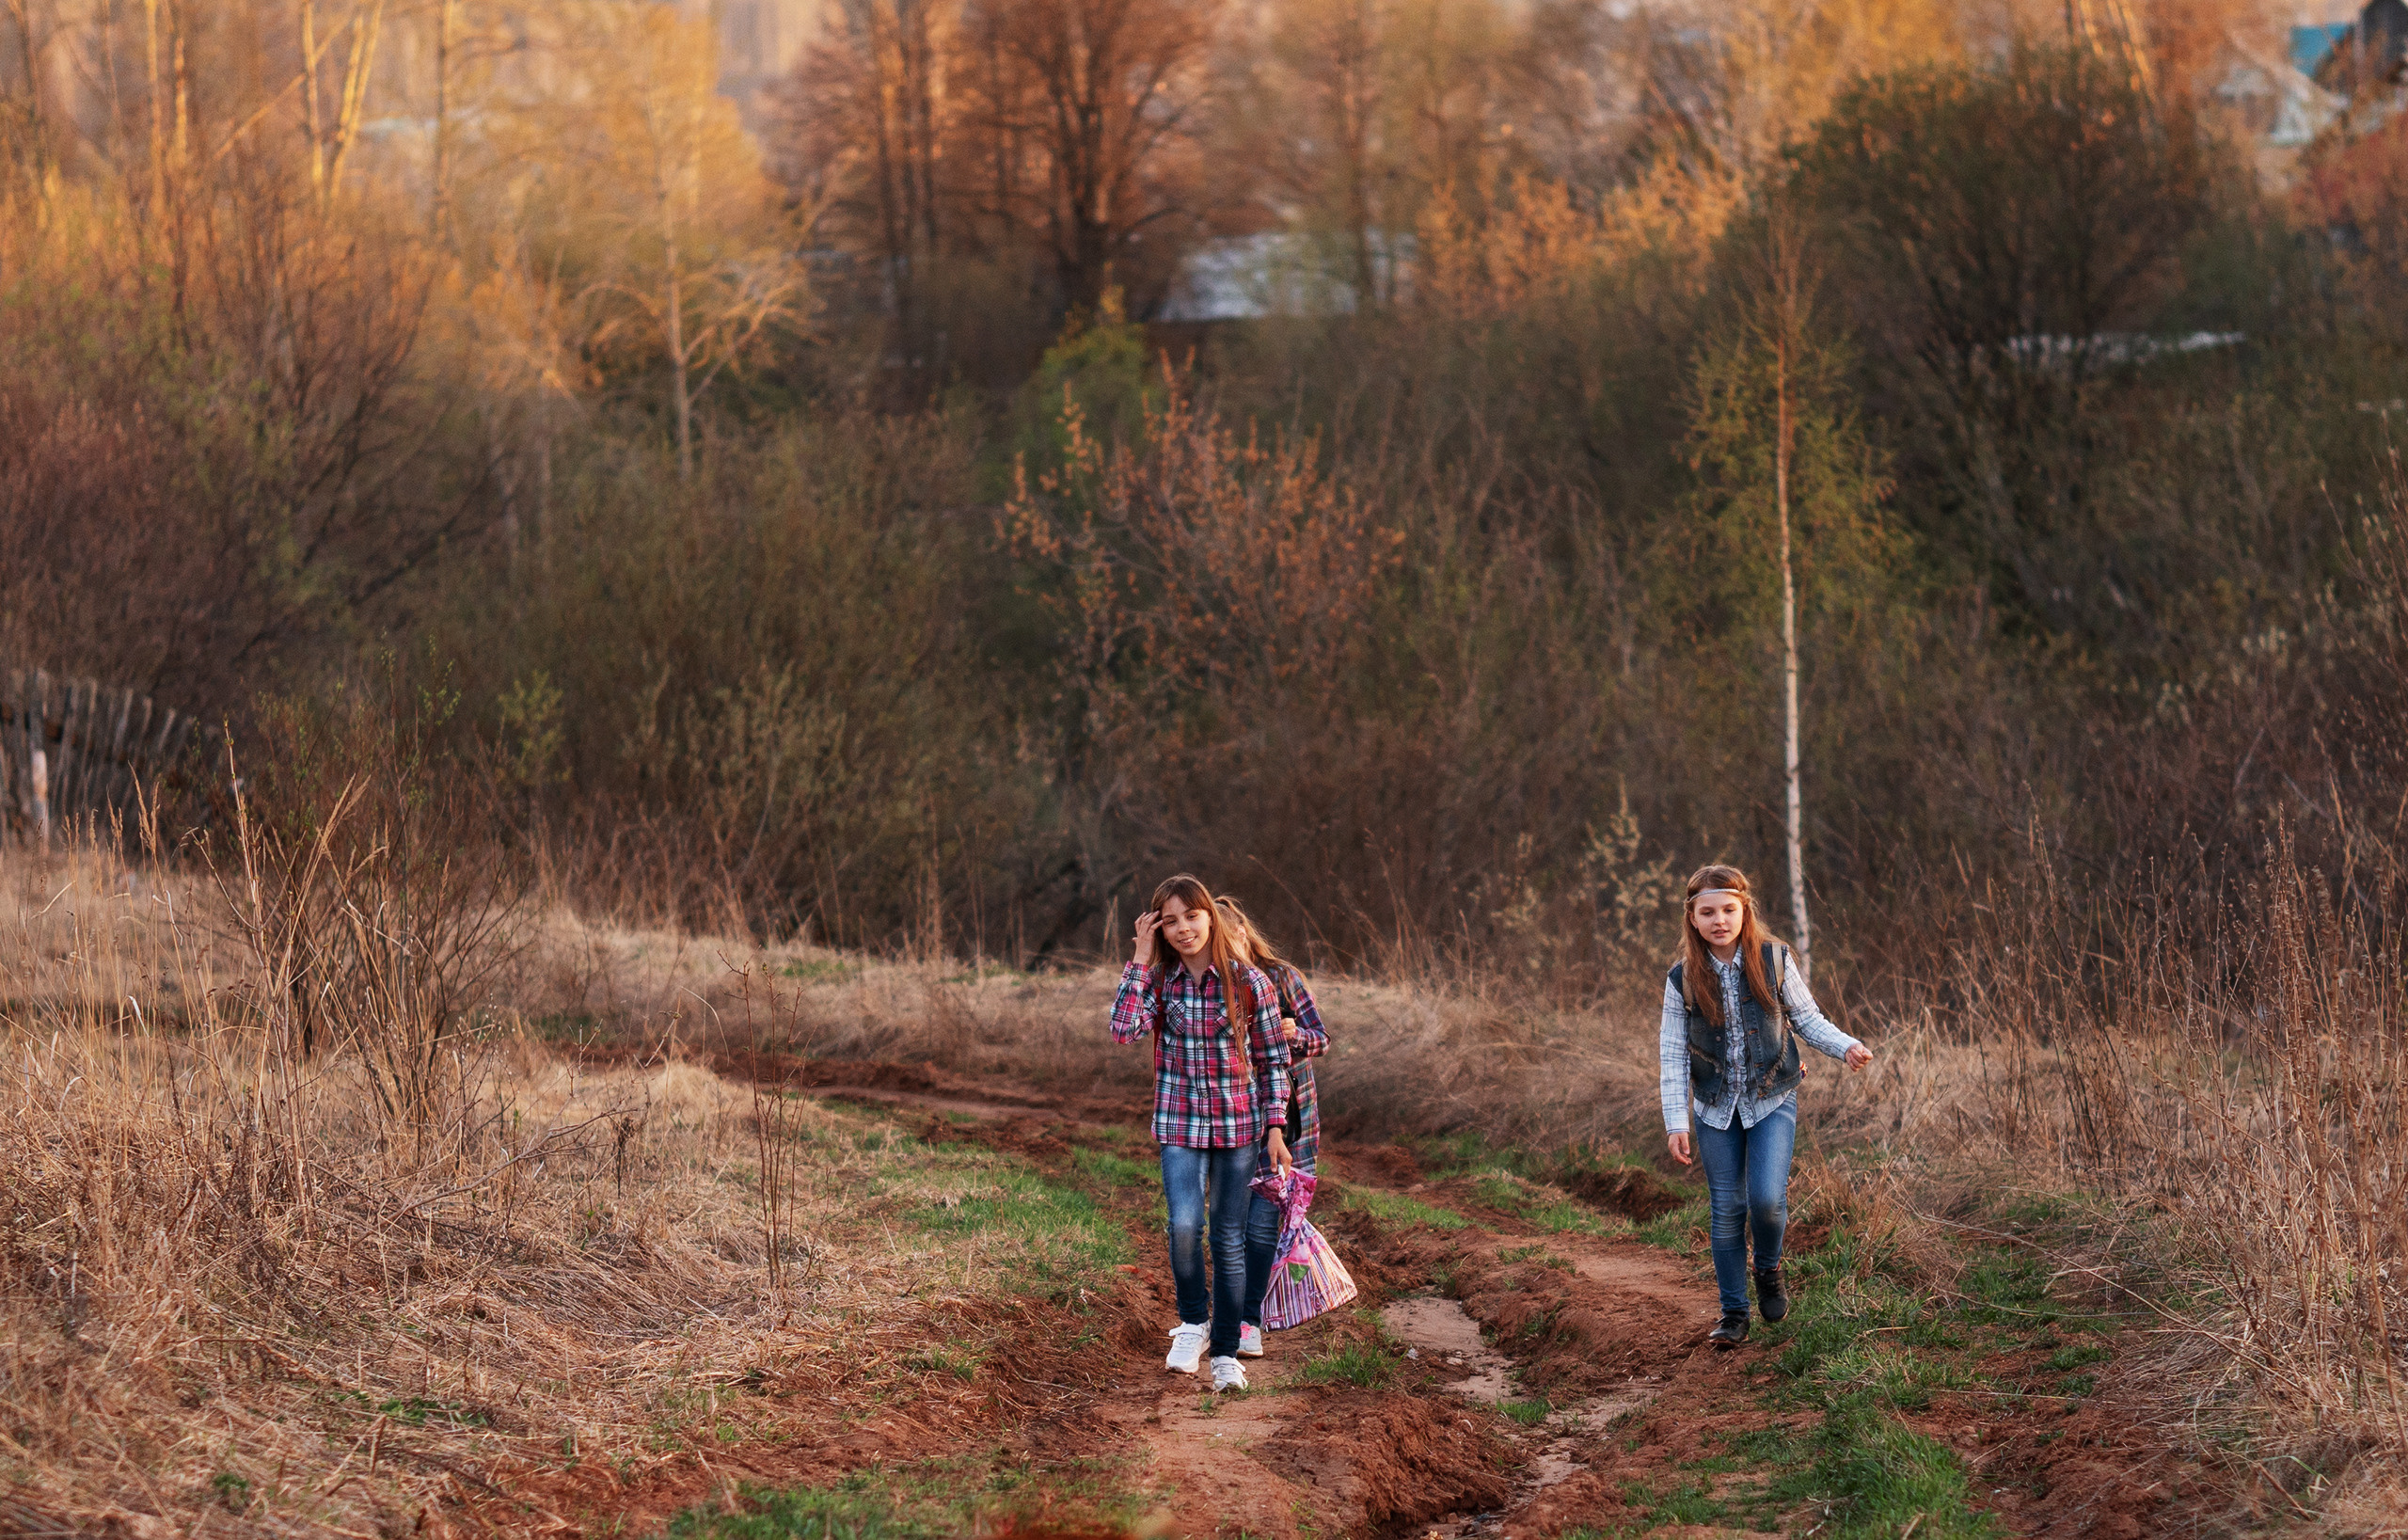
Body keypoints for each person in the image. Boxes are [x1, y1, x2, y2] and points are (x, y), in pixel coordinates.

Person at [1659, 864, 1873, 1348]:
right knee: (1727, 1208)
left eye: (1729, 910)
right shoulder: (1683, 980)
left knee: (1766, 1202)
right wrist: (1677, 1120)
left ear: (1744, 910)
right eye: (1707, 912)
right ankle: (1734, 1314)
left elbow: (1808, 1018)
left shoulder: (1774, 960)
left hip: (1772, 1097)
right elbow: (1672, 1052)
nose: (1719, 920)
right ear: (1692, 918)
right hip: (1715, 1108)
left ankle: (1769, 1268)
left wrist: (1846, 1046)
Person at [1111, 874, 1292, 1392]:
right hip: (1179, 1123)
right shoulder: (1160, 983)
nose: (1183, 928)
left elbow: (1273, 1061)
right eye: (1169, 921)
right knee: (1185, 1226)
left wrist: (1275, 1127)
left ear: (1210, 916)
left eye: (1191, 915)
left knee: (1227, 1238)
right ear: (1159, 930)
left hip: (1239, 1127)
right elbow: (1123, 1030)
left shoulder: (1248, 983)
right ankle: (1193, 1323)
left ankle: (1227, 1353)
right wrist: (1140, 960)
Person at [1213, 897, 1328, 1360]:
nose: (1229, 946)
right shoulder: (1213, 986)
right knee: (1232, 1225)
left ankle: (1248, 1323)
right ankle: (1227, 1317)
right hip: (1236, 1115)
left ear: (1245, 931)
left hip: (1292, 1118)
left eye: (1233, 934)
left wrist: (1289, 1035)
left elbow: (1320, 1038)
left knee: (1261, 1225)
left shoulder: (1283, 978)